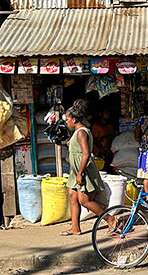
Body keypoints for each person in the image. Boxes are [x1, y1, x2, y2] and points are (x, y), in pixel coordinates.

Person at [61, 99, 115, 236]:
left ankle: (111, 219)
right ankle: (75, 228)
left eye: (67, 119)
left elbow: (85, 154)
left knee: (84, 200)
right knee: (72, 196)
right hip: (75, 170)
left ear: (74, 119)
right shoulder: (77, 132)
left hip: (82, 170)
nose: (66, 121)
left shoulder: (81, 132)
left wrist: (80, 173)